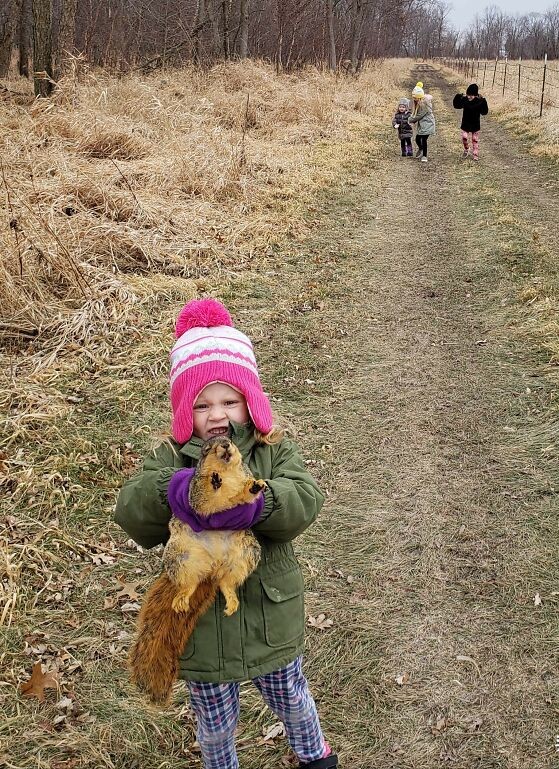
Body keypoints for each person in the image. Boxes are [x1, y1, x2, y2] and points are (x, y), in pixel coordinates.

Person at [114, 298, 337, 769]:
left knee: (292, 698)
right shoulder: (170, 458)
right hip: (201, 628)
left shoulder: (272, 451)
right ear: (183, 411)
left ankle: (315, 758)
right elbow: (131, 512)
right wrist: (170, 491)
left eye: (229, 401)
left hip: (267, 618)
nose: (217, 414)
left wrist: (260, 503)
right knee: (214, 726)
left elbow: (305, 499)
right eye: (202, 404)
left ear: (249, 401)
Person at [452, 83, 489, 161]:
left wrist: (484, 101)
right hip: (465, 123)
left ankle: (475, 154)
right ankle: (466, 149)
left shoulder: (479, 102)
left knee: (475, 139)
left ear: (475, 95)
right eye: (468, 95)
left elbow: (484, 112)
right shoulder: (465, 100)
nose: (469, 97)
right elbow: (457, 106)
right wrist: (458, 96)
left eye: (471, 95)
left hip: (475, 124)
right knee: (464, 137)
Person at [408, 82, 436, 163]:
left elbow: (419, 115)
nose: (414, 99)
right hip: (423, 125)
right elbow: (416, 114)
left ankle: (424, 156)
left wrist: (410, 119)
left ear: (420, 97)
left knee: (424, 140)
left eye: (415, 98)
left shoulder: (424, 104)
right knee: (417, 138)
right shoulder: (419, 103)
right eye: (414, 98)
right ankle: (421, 148)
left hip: (428, 124)